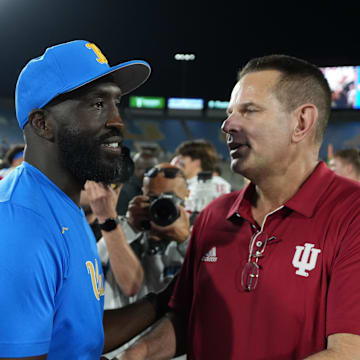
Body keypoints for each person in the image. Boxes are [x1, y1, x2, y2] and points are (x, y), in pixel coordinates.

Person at [119, 55, 360, 359]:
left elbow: (348, 352)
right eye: (231, 112)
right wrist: (136, 355)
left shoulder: (352, 213)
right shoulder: (214, 215)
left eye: (249, 110)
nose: (227, 124)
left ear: (301, 122)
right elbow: (185, 320)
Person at [0, 39, 171, 359]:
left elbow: (79, 333)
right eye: (96, 104)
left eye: (116, 103)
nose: (117, 120)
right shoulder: (19, 227)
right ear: (43, 124)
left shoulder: (63, 202)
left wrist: (164, 301)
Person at [171, 139, 231, 221]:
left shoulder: (216, 183)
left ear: (197, 162)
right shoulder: (183, 183)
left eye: (183, 157)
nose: (179, 161)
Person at [116, 151, 159, 215]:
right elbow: (121, 219)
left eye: (151, 169)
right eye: (140, 168)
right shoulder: (124, 191)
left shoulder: (159, 187)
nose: (146, 173)